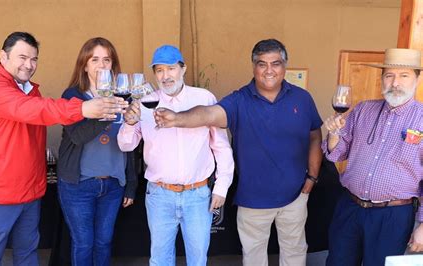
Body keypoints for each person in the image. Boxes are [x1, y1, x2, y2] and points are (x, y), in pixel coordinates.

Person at [154, 39, 323, 266]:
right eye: (262, 64)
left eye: (276, 63)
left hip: (294, 198)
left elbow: (314, 135)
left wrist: (312, 176)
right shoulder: (239, 100)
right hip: (253, 201)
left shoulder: (302, 98)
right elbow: (209, 114)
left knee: (294, 255)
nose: (269, 70)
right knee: (254, 259)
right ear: (253, 67)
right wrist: (177, 118)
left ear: (285, 66)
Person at [0, 32, 128, 265]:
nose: (29, 65)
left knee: (27, 255)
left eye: (34, 59)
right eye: (22, 57)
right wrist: (82, 109)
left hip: (29, 192)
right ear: (3, 56)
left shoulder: (30, 90)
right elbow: (33, 110)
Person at [117, 45, 234, 266]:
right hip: (160, 194)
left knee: (198, 259)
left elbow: (221, 146)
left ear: (183, 69)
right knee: (160, 260)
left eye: (171, 68)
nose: (165, 76)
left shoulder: (204, 98)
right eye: (159, 70)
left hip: (197, 194)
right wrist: (130, 123)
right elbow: (125, 145)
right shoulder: (144, 102)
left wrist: (222, 186)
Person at [322, 48, 423, 266]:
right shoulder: (363, 110)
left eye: (403, 76)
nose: (395, 83)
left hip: (393, 215)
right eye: (389, 75)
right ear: (382, 79)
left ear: (417, 78)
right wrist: (333, 133)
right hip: (350, 207)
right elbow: (337, 154)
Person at [56, 37, 137, 266]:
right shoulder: (72, 97)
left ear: (113, 65)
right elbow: (78, 136)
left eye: (107, 60)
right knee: (83, 243)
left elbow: (128, 145)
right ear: (84, 64)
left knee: (104, 242)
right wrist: (109, 108)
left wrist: (130, 183)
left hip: (112, 184)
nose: (101, 65)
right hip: (78, 185)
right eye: (95, 60)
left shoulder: (124, 95)